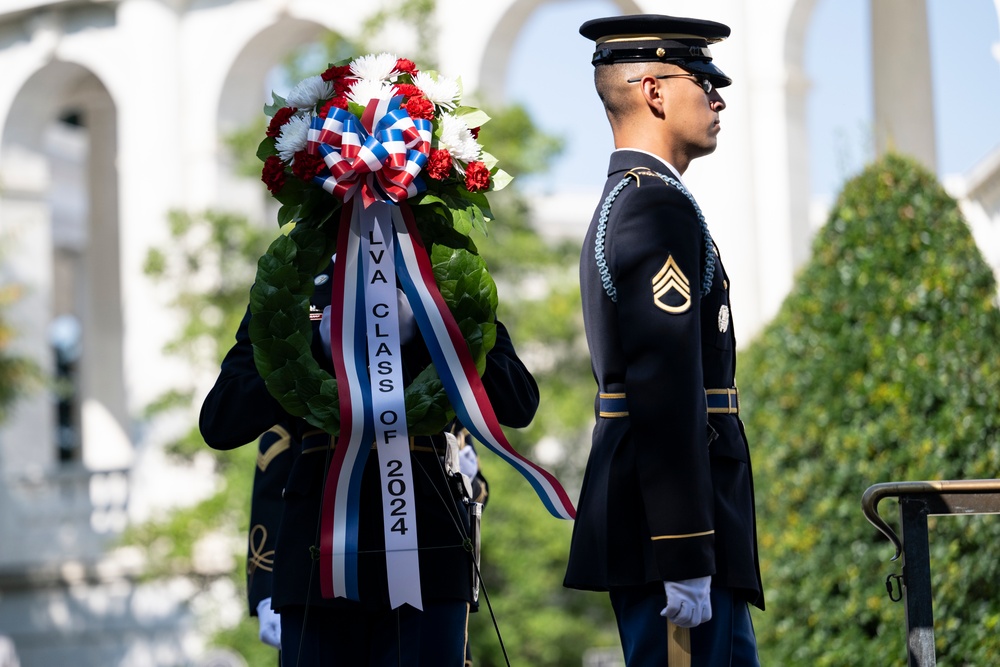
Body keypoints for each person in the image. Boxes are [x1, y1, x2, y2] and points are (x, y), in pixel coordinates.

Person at [201, 256, 537, 666]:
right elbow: (222, 420)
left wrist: (428, 333)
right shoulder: (293, 279)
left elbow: (517, 400)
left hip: (428, 554)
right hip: (319, 559)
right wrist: (314, 347)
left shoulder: (441, 270)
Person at [564, 14, 764, 666]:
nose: (718, 97)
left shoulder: (635, 197)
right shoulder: (655, 207)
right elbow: (664, 383)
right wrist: (685, 548)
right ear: (654, 91)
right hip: (672, 538)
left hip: (664, 529)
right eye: (703, 79)